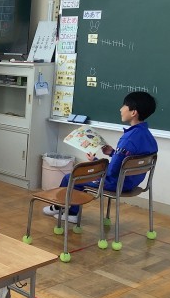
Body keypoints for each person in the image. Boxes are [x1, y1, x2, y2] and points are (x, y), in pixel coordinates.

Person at [44, 91, 158, 223]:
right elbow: (128, 160)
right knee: (79, 178)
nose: (120, 109)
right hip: (131, 183)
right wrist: (112, 152)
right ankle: (67, 209)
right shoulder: (149, 137)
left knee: (71, 178)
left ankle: (65, 210)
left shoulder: (128, 139)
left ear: (133, 112)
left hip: (115, 183)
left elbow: (111, 171)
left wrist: (95, 161)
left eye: (124, 106)